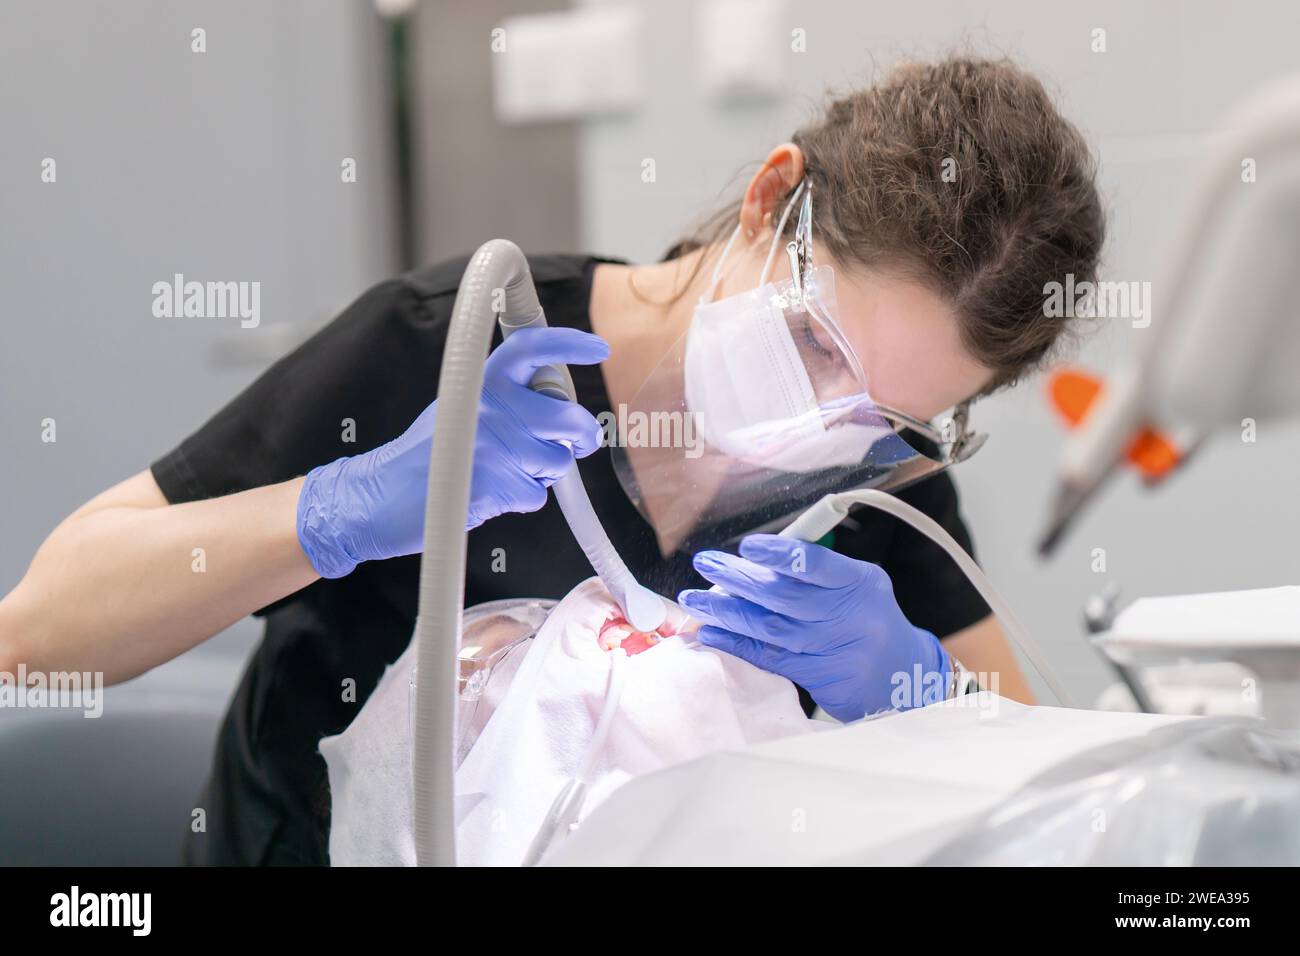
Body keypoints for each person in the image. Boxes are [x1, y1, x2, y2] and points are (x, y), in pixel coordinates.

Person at [0, 56, 1104, 864]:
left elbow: (1020, 788)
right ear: (772, 196)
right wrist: (334, 511)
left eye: (890, 412)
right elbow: (34, 637)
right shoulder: (457, 344)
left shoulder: (881, 479)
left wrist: (912, 689)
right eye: (812, 341)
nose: (819, 421)